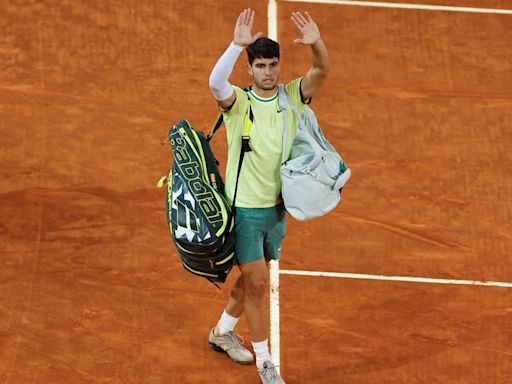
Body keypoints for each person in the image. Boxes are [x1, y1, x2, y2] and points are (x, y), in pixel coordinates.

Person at [207, 8, 330, 384]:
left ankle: (222, 331)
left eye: (273, 64)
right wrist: (234, 45)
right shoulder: (238, 104)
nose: (268, 72)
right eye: (260, 66)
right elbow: (215, 83)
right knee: (258, 284)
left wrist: (317, 44)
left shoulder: (292, 97)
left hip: (277, 210)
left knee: (250, 280)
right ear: (250, 69)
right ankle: (265, 362)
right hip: (244, 211)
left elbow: (321, 71)